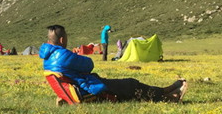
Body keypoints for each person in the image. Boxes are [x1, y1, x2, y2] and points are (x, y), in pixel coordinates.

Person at [40, 24, 187, 103]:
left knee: (125, 86)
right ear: (62, 40)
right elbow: (89, 64)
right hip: (89, 89)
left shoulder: (47, 58)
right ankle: (166, 95)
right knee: (130, 84)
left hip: (82, 86)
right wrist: (77, 55)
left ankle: (164, 92)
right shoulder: (63, 55)